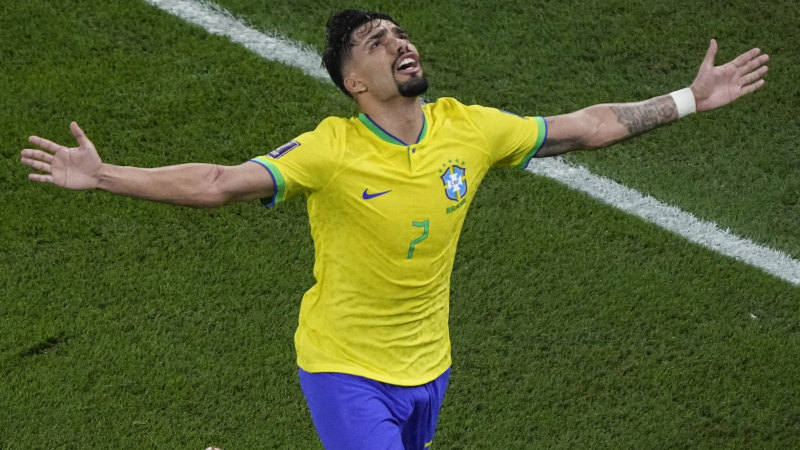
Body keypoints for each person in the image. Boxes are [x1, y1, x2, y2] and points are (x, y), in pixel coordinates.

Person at [20, 8, 768, 450]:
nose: (399, 43)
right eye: (377, 41)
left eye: (400, 33)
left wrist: (689, 100)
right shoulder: (330, 149)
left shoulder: (467, 130)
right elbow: (218, 182)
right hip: (344, 371)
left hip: (429, 370)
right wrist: (107, 174)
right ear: (354, 82)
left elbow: (588, 126)